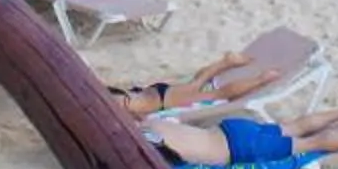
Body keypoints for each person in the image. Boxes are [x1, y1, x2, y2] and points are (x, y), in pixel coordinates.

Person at [140, 106, 338, 169]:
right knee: (296, 126)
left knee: (314, 143)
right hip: (229, 130)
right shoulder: (147, 126)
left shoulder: (153, 151)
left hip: (241, 148)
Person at [108, 48, 299, 118]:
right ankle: (226, 62)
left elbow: (135, 115)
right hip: (154, 94)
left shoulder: (110, 106)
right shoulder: (101, 95)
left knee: (218, 95)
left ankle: (261, 78)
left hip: (162, 102)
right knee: (196, 83)